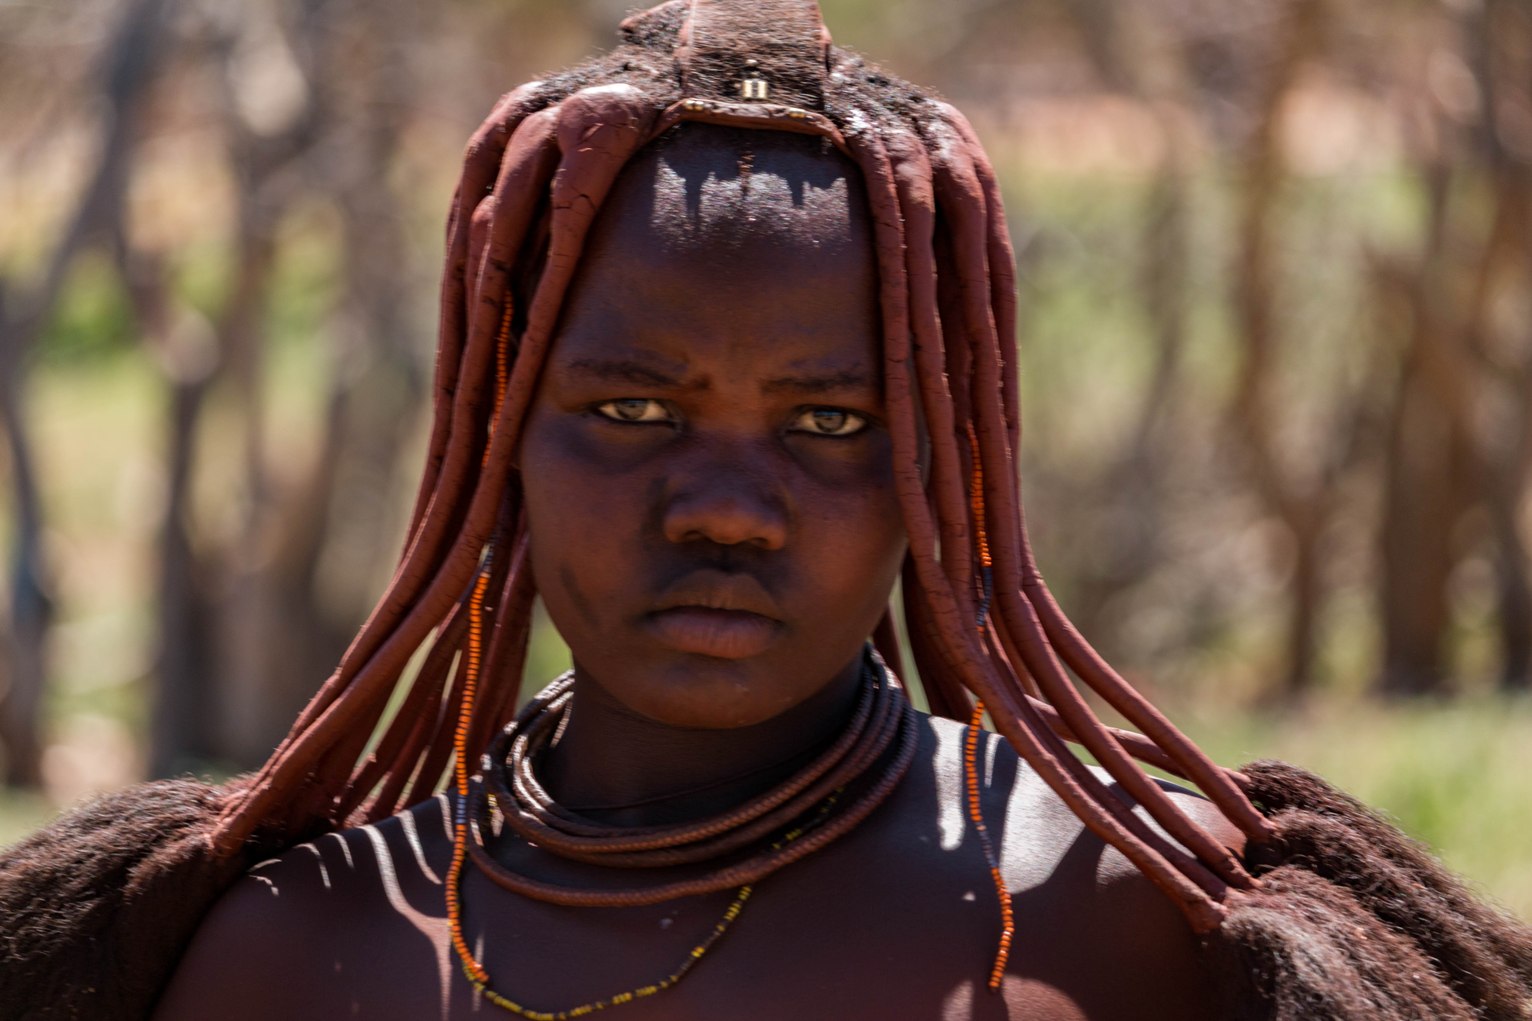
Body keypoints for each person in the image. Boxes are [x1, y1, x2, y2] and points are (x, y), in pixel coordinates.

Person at [4, 2, 1530, 1019]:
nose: (729, 510)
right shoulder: (292, 956)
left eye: (831, 423)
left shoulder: (1129, 921)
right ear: (497, 439)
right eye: (632, 413)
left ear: (944, 463)